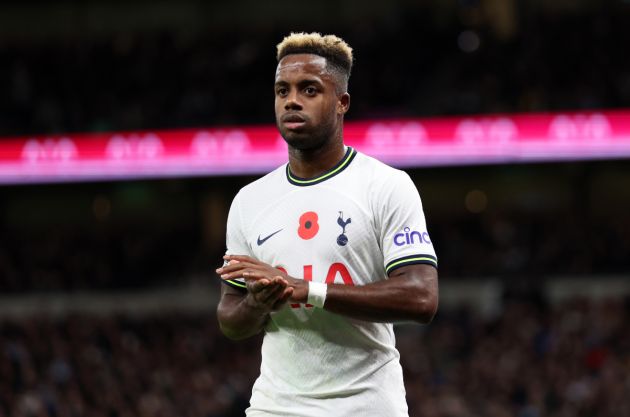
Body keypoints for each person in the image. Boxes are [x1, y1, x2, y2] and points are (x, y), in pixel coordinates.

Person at [216, 32, 438, 417]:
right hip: (275, 408)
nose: (292, 101)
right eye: (282, 90)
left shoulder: (385, 185)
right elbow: (231, 320)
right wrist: (257, 302)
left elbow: (421, 298)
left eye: (309, 89)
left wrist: (309, 291)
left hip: (366, 407)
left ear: (341, 102)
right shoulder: (249, 202)